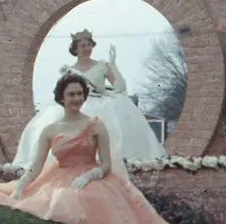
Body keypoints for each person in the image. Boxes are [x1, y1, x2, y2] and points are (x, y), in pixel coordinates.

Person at [0, 73, 182, 224]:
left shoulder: (96, 125)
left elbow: (107, 164)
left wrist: (90, 175)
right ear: (61, 97)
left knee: (82, 201)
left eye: (80, 94)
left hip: (92, 177)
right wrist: (20, 187)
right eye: (71, 94)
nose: (76, 99)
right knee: (56, 199)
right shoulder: (50, 130)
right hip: (57, 176)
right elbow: (35, 167)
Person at [12, 29, 167, 166]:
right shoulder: (69, 70)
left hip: (101, 105)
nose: (86, 49)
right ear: (75, 49)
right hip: (77, 106)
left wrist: (113, 65)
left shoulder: (101, 66)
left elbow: (121, 87)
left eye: (89, 45)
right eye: (82, 46)